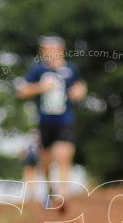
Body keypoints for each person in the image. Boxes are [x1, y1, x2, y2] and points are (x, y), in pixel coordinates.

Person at [16, 36, 87, 211]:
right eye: (44, 49)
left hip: (65, 121)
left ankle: (63, 195)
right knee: (46, 162)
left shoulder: (71, 69)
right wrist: (41, 87)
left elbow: (81, 86)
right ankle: (50, 189)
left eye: (50, 49)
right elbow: (22, 91)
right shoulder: (38, 70)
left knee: (64, 155)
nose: (47, 52)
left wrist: (79, 91)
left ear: (60, 49)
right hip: (45, 123)